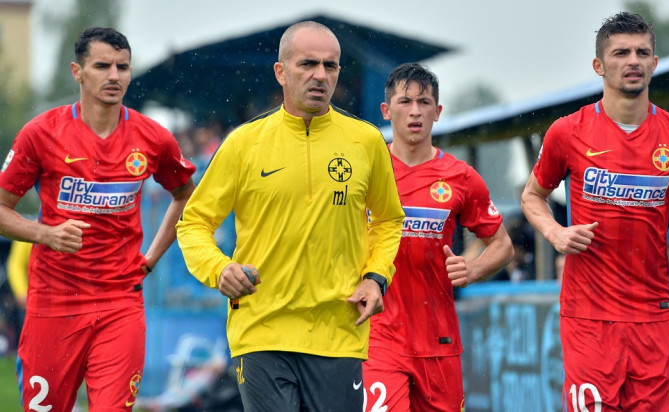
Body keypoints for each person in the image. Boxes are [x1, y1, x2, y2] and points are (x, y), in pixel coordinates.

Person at [176, 21, 404, 411]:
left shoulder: (366, 141)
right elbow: (194, 223)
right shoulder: (243, 144)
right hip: (262, 331)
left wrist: (376, 277)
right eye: (307, 64)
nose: (320, 75)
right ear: (281, 72)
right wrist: (219, 269)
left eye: (330, 66)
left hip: (339, 332)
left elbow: (388, 220)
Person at [0, 27, 196, 410]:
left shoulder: (153, 138)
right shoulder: (40, 134)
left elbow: (185, 196)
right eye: (102, 66)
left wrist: (150, 259)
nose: (114, 76)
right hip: (54, 303)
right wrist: (47, 234)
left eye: (122, 67)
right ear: (78, 71)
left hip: (120, 302)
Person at [521, 12, 669, 411]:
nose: (633, 61)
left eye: (642, 52)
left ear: (655, 63)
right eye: (621, 53)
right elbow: (533, 196)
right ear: (599, 66)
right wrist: (556, 234)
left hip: (654, 314)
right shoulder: (567, 132)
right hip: (589, 317)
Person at [363, 63, 514, 411]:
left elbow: (503, 245)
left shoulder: (461, 177)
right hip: (378, 337)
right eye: (405, 102)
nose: (415, 111)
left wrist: (473, 270)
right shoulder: (365, 171)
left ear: (438, 111)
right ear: (386, 111)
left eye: (424, 102)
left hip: (439, 339)